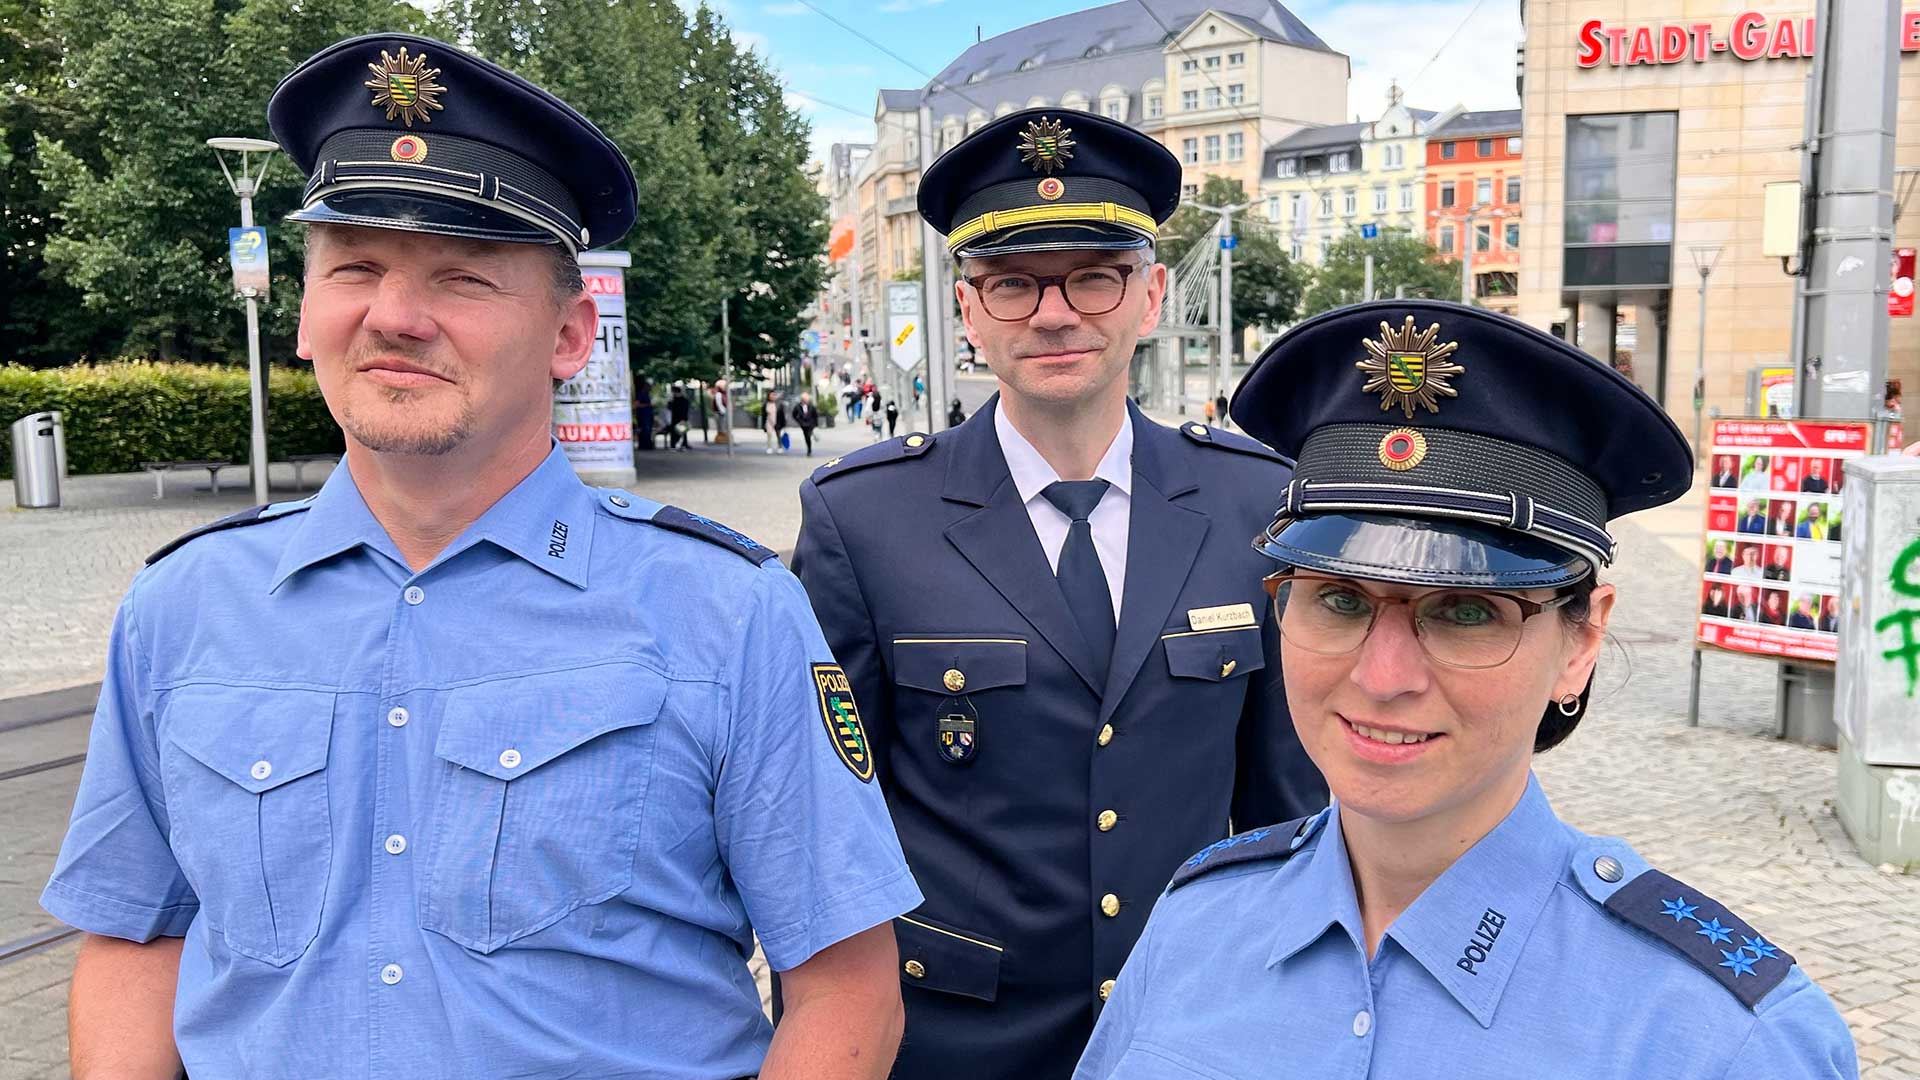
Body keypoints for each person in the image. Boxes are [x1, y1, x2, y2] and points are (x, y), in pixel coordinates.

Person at [40, 33, 921, 1080]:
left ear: (568, 335)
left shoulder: (729, 613)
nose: (396, 318)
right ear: (303, 315)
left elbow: (847, 991)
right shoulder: (183, 610)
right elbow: (137, 937)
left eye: (461, 277)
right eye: (355, 267)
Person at [1073, 299, 1856, 1080]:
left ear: (1580, 641)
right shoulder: (1196, 922)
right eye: (1340, 599)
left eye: (1466, 611)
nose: (1383, 679)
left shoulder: (1723, 1043)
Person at [793, 108, 1326, 1080]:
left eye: (1094, 275)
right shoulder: (866, 523)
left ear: (1151, 294)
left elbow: (1288, 810)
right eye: (1012, 285)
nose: (1053, 313)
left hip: (1192, 1031)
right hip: (954, 1045)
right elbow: (823, 837)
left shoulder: (1256, 502)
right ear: (967, 311)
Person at [794, 391, 821, 456]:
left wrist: (816, 425)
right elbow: (794, 414)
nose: (806, 400)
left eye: (807, 398)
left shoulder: (811, 406)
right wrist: (798, 420)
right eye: (804, 399)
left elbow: (815, 415)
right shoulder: (798, 406)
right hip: (804, 425)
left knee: (809, 435)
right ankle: (809, 449)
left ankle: (809, 449)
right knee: (807, 437)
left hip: (811, 424)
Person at [667, 382, 691, 451]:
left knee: (677, 432)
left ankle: (676, 444)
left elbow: (669, 408)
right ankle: (682, 444)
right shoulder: (683, 400)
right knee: (682, 432)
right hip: (681, 418)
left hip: (676, 418)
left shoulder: (674, 400)